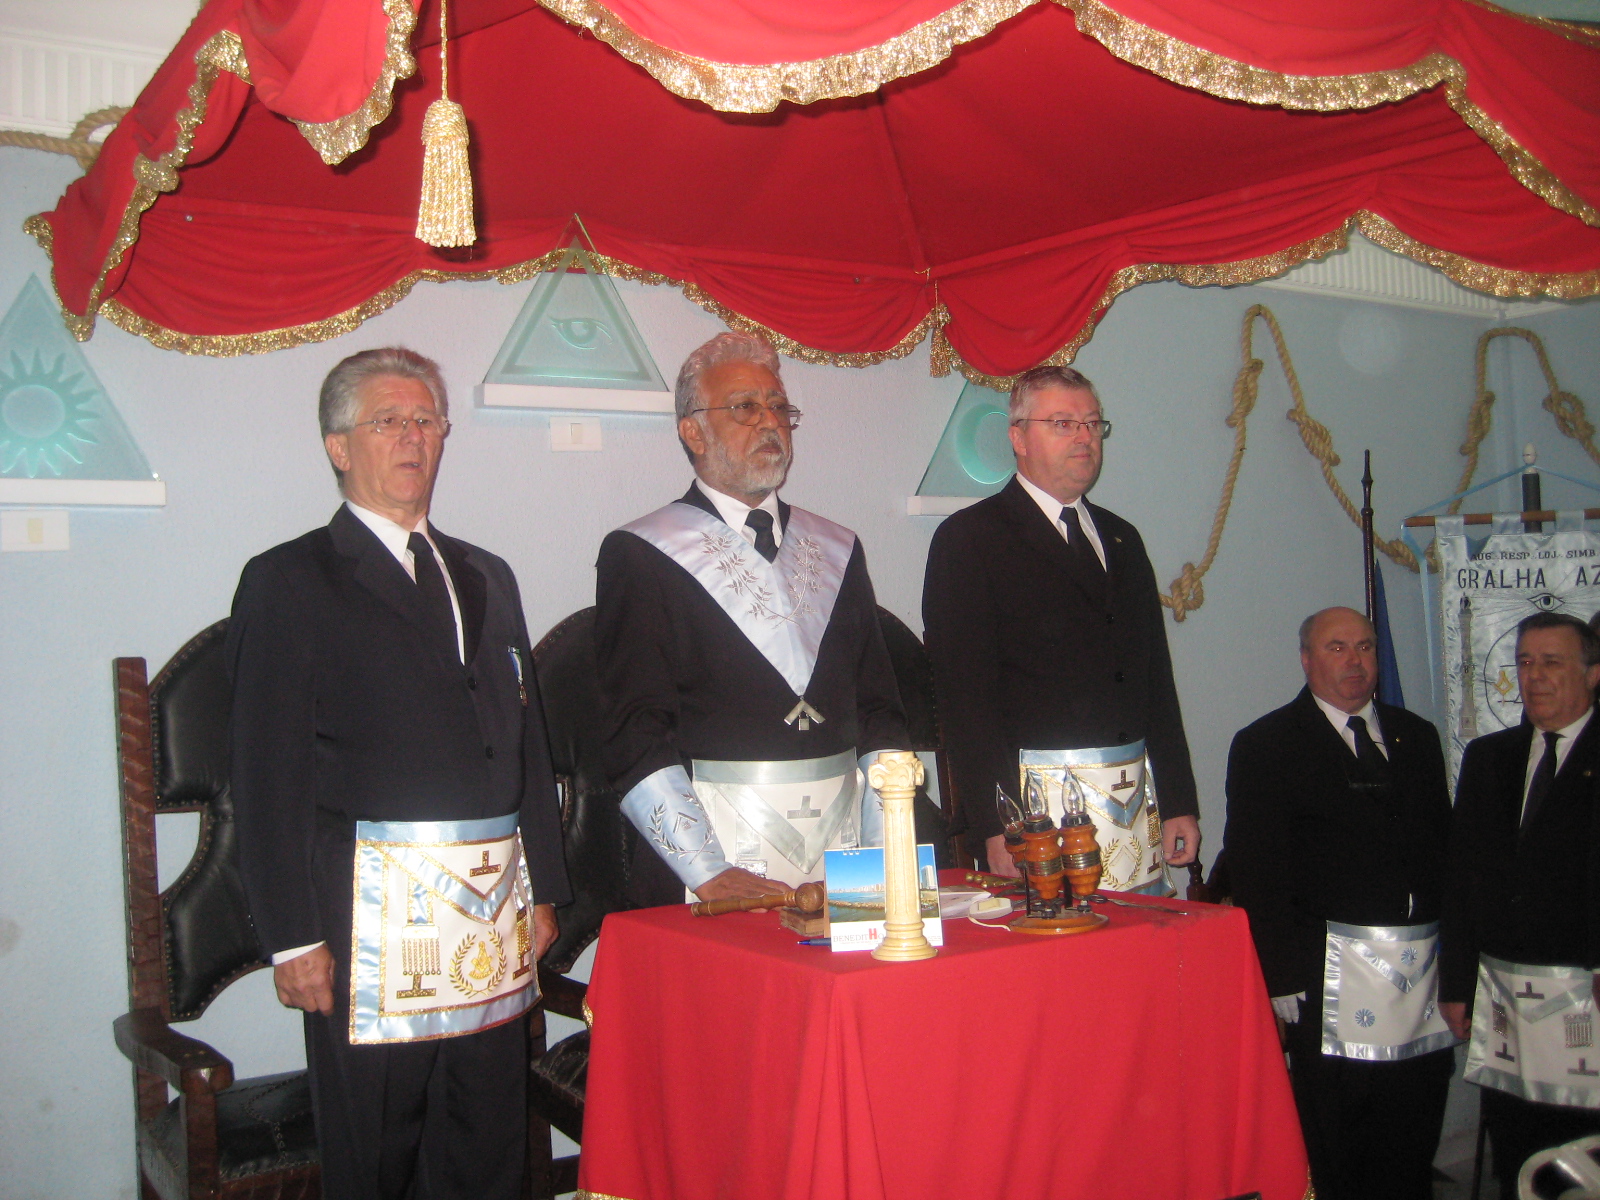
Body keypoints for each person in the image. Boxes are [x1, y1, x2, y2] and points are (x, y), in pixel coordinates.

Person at [227, 347, 569, 1200]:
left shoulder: (487, 573)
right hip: (365, 921)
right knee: (379, 1154)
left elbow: (526, 742)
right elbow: (265, 773)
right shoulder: (288, 580)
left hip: (488, 909)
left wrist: (543, 889)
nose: (413, 437)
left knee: (488, 1141)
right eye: (388, 421)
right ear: (339, 446)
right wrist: (293, 936)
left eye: (426, 420)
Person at [595, 331, 910, 906]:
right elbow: (634, 728)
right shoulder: (640, 553)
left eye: (779, 407)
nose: (770, 422)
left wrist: (885, 847)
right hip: (713, 859)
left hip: (846, 853)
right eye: (745, 407)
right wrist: (704, 869)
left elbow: (879, 710)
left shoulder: (839, 547)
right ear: (693, 431)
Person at [922, 365, 1198, 887]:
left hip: (1132, 800)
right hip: (1036, 812)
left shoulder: (1122, 538)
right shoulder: (970, 540)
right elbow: (966, 701)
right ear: (1018, 437)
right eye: (1063, 424)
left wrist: (1179, 798)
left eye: (1092, 424)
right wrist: (997, 824)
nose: (1084, 438)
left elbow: (1155, 680)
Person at [1225, 606, 1454, 1200]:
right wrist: (1281, 976)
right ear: (1306, 660)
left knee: (1414, 1125)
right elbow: (1256, 869)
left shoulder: (1416, 736)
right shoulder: (1266, 744)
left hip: (1418, 976)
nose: (1355, 661)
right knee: (1343, 1141)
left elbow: (1441, 854)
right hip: (1327, 981)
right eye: (1337, 648)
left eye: (1366, 647)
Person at [1441, 611, 1600, 1198]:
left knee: (1582, 1156)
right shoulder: (1489, 758)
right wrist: (1457, 981)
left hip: (1586, 994)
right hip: (1507, 1000)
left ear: (1593, 673)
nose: (1534, 677)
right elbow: (1463, 878)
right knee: (1518, 1151)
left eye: (1552, 662)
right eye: (1525, 663)